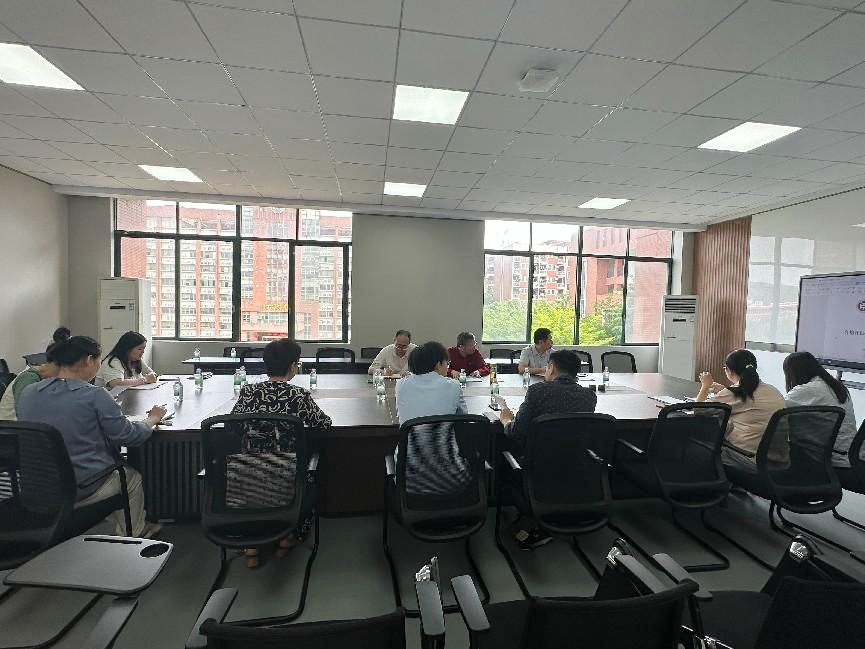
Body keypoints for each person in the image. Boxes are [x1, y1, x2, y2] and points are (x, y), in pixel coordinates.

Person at [17, 336, 165, 538]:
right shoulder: (95, 395)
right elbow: (129, 436)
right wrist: (152, 418)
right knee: (132, 478)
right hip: (81, 486)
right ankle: (134, 533)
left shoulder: (29, 392)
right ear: (89, 360)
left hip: (36, 486)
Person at [231, 338, 332, 568]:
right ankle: (288, 537)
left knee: (259, 480)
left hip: (248, 472)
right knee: (312, 474)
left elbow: (233, 426)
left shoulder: (248, 392)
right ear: (293, 366)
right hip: (287, 474)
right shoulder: (298, 395)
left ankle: (252, 545)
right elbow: (324, 424)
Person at [499, 349, 598, 550]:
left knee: (505, 456)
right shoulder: (589, 396)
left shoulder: (537, 391)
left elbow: (517, 433)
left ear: (551, 368)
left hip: (538, 470)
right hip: (574, 466)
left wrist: (506, 420)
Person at [696, 349, 785, 491]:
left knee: (699, 446)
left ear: (729, 370)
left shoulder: (734, 393)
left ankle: (711, 489)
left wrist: (705, 385)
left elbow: (698, 409)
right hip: (776, 461)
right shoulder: (773, 390)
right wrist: (724, 390)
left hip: (747, 459)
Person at [783, 351, 859, 486]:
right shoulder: (837, 387)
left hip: (832, 460)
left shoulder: (807, 390)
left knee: (781, 447)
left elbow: (776, 409)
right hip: (850, 457)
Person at [0, 327, 69, 420]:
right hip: (14, 426)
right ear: (56, 364)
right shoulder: (29, 377)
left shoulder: (44, 378)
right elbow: (24, 412)